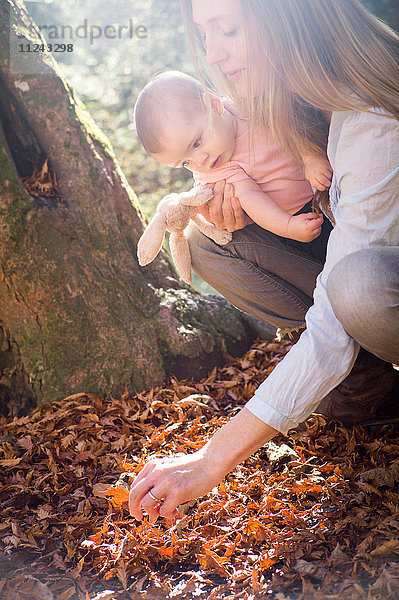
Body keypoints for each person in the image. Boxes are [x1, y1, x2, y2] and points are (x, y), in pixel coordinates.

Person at [129, 0, 399, 524]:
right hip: (341, 244)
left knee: (357, 287)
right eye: (204, 35)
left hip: (371, 269)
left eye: (228, 29)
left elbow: (332, 324)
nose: (214, 53)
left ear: (287, 18)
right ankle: (369, 388)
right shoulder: (269, 99)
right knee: (211, 238)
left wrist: (212, 459)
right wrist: (244, 211)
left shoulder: (370, 111)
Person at [134, 70, 333, 246]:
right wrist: (289, 227)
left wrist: (311, 157)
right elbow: (253, 199)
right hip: (299, 217)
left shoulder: (246, 104)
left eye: (197, 143)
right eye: (185, 163)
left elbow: (289, 119)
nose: (200, 161)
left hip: (325, 174)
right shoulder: (215, 173)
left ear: (213, 105)